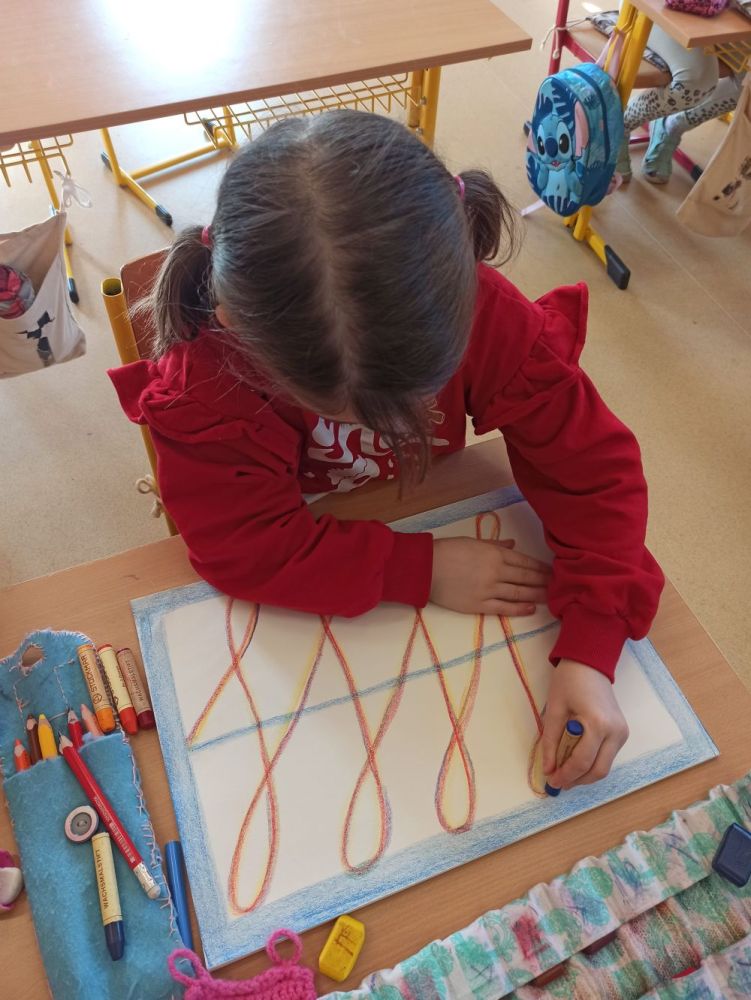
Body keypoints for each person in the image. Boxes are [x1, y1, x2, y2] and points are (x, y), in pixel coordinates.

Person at [109, 110, 663, 792]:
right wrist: (418, 567)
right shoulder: (213, 374)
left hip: (409, 502)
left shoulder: (482, 311)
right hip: (309, 521)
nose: (387, 424)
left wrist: (593, 644)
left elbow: (593, 474)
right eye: (340, 407)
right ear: (237, 329)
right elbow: (240, 544)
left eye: (411, 398)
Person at [616, 15, 746, 183]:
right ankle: (620, 126)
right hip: (666, 10)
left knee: (748, 87)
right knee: (698, 79)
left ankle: (672, 124)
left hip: (730, 18)